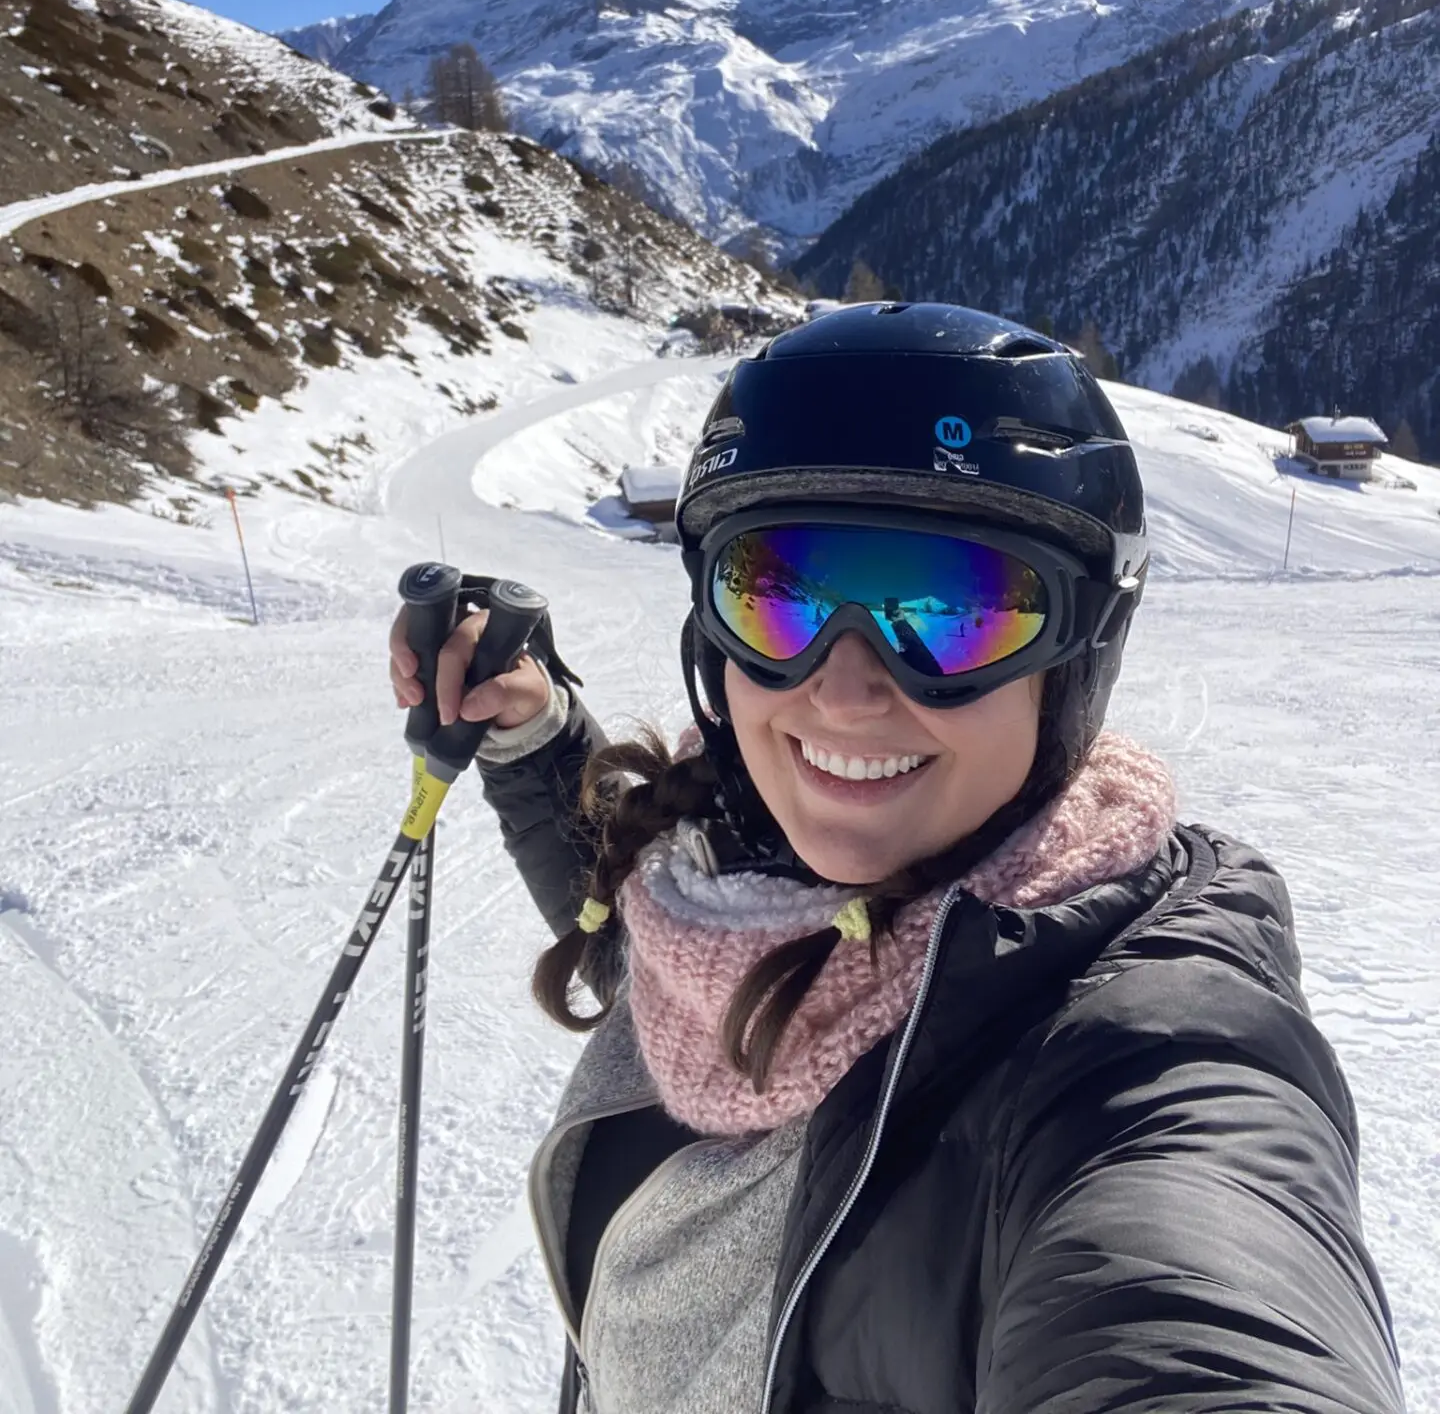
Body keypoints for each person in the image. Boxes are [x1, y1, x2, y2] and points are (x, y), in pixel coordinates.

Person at [389, 303, 1404, 1414]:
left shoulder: (1138, 1056)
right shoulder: (718, 893)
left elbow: (1197, 1295)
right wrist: (536, 740)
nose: (846, 687)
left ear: (1076, 661)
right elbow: (641, 957)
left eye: (956, 609)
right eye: (780, 595)